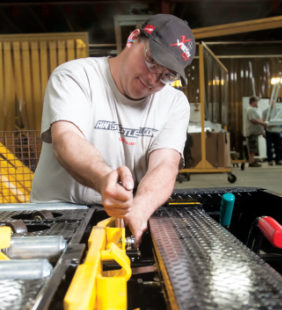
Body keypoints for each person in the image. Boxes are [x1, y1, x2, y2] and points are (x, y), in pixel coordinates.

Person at [30, 14, 195, 245]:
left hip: (121, 218)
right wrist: (104, 178)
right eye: (151, 60)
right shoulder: (76, 77)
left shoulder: (174, 103)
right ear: (133, 39)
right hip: (58, 216)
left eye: (167, 75)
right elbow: (67, 139)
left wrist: (140, 208)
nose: (152, 79)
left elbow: (165, 164)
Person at [245, 96, 265, 167]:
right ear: (253, 102)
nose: (257, 103)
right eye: (256, 102)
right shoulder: (250, 110)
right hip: (251, 132)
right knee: (252, 147)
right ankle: (251, 162)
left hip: (254, 132)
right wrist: (262, 123)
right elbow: (252, 120)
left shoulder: (252, 109)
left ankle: (252, 161)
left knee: (253, 147)